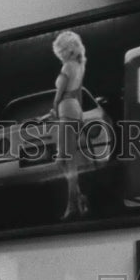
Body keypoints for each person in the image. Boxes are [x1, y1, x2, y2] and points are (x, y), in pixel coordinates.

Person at [47, 29, 89, 221]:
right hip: (75, 111)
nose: (59, 54)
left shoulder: (67, 68)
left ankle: (72, 205)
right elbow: (78, 94)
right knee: (65, 160)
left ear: (66, 49)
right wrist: (79, 116)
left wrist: (54, 111)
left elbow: (58, 97)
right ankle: (78, 197)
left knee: (65, 160)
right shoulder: (80, 66)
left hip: (65, 111)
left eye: (60, 50)